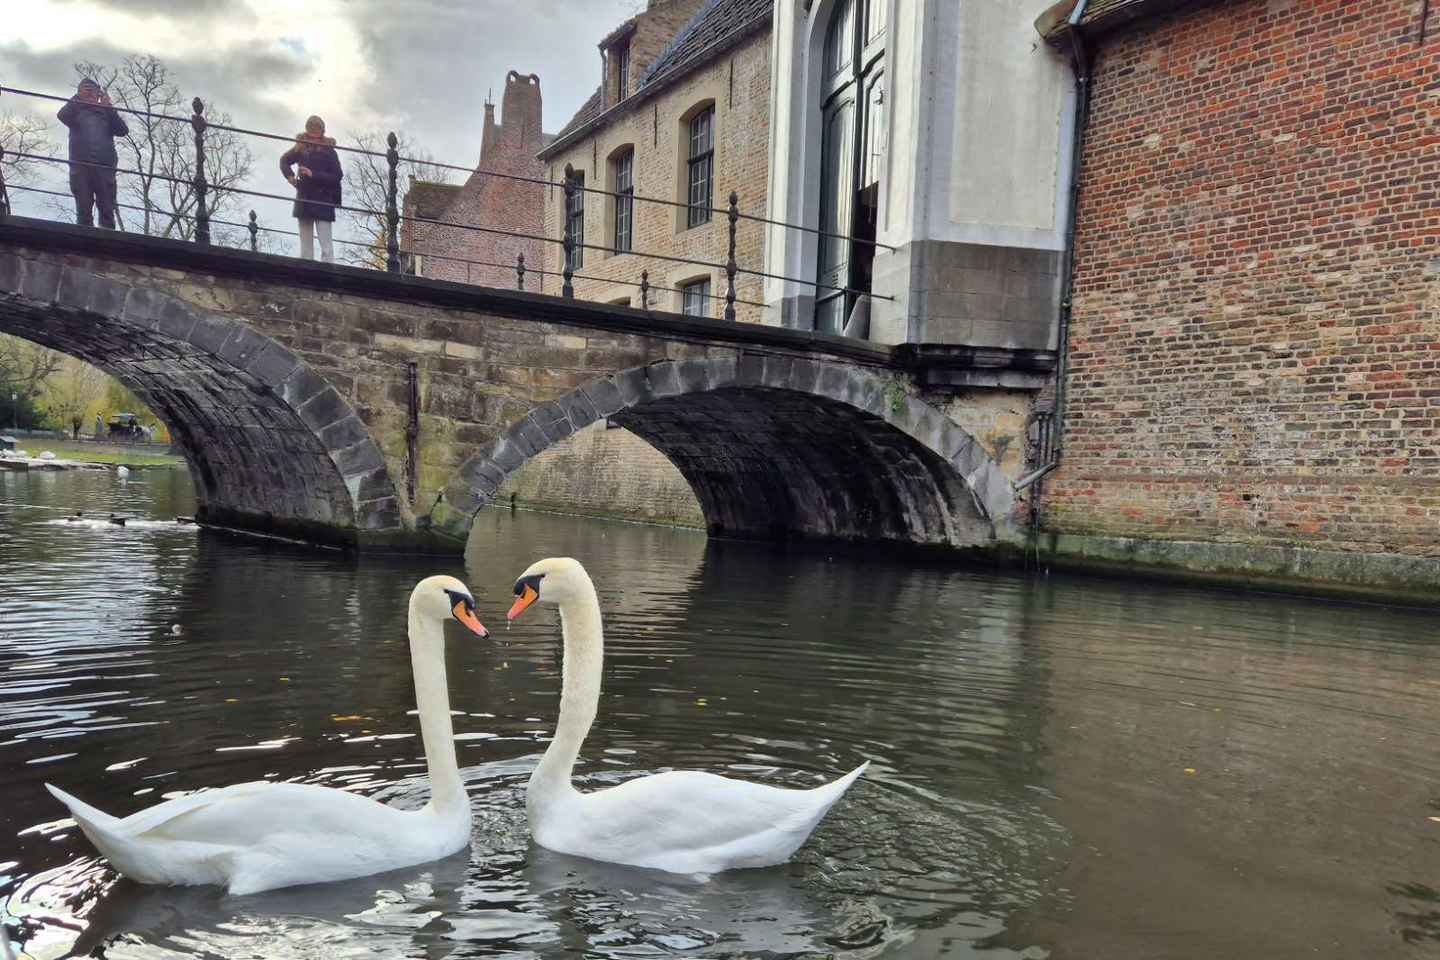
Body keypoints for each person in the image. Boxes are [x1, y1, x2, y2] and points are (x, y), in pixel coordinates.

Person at [57, 78, 128, 229]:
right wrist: (78, 99)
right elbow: (62, 115)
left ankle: (108, 241)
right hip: (81, 165)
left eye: (93, 91)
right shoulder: (75, 111)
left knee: (107, 208)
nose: (90, 94)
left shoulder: (107, 114)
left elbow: (122, 130)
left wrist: (108, 107)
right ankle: (83, 242)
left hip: (104, 166)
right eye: (85, 90)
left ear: (99, 94)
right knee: (83, 207)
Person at [279, 116, 342, 262]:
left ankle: (327, 271)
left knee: (326, 244)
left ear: (322, 130)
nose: (313, 132)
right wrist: (290, 177)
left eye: (316, 129)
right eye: (311, 128)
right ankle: (306, 269)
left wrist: (313, 174)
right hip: (305, 195)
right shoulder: (301, 146)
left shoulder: (329, 150)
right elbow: (284, 161)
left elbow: (337, 175)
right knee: (306, 246)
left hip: (323, 197)